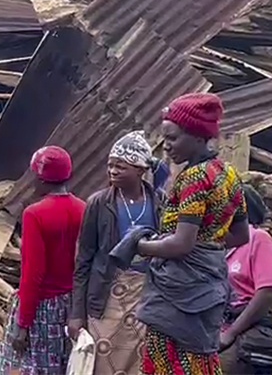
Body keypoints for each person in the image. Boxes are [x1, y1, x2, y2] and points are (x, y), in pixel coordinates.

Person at [135, 92, 251, 375]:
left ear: (198, 137)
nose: (167, 147)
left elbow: (181, 244)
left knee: (168, 358)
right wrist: (208, 245)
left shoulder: (194, 178)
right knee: (198, 357)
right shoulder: (228, 174)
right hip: (209, 284)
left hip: (180, 290)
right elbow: (241, 235)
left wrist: (141, 245)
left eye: (173, 138)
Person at [69, 130, 167, 375]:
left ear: (140, 169)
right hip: (106, 295)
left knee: (141, 364)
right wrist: (76, 313)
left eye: (121, 166)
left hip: (145, 295)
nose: (112, 171)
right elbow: (83, 260)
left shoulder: (159, 201)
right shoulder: (99, 203)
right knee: (101, 363)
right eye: (110, 165)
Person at [0, 146, 86, 375]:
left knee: (19, 367)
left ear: (41, 179)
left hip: (41, 309)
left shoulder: (35, 214)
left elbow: (32, 274)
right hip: (70, 306)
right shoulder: (82, 208)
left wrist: (22, 324)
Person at [220, 185, 272, 374]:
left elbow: (268, 291)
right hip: (217, 328)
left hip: (245, 330)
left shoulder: (258, 239)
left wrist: (231, 333)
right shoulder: (219, 242)